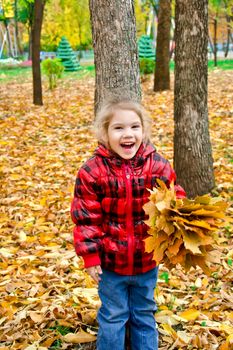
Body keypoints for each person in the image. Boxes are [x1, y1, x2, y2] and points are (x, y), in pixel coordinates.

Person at [71, 99, 185, 350]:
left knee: (144, 313)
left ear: (144, 131)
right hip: (111, 264)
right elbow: (85, 218)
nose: (128, 134)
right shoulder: (92, 171)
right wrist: (90, 257)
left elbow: (173, 197)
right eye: (119, 128)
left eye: (135, 127)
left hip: (147, 260)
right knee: (113, 316)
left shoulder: (158, 165)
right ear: (105, 133)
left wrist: (179, 220)